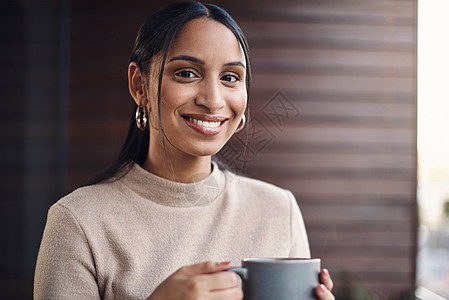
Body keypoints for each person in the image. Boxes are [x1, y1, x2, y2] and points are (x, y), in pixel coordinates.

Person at [34, 2, 335, 299]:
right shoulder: (78, 222)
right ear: (139, 85)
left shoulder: (278, 210)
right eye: (187, 73)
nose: (213, 100)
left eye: (230, 77)